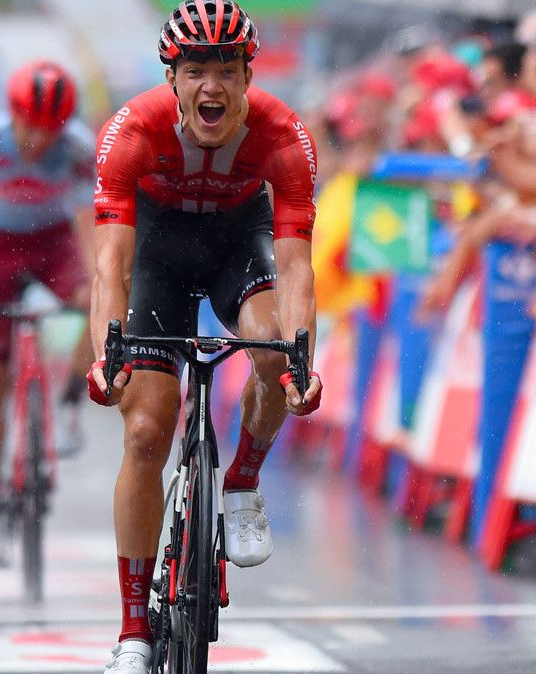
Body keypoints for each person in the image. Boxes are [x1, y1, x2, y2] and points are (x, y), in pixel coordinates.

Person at [86, 2, 323, 671]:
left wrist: (303, 357)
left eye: (226, 69)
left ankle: (242, 479)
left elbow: (298, 265)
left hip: (235, 245)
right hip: (156, 253)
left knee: (276, 351)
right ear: (173, 75)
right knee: (144, 430)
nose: (211, 86)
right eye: (196, 70)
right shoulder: (132, 129)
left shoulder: (283, 135)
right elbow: (111, 262)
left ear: (249, 75)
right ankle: (134, 632)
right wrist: (105, 354)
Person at [0, 60, 96, 566]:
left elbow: (98, 211)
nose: (37, 140)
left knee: (99, 298)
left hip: (54, 242)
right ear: (12, 116)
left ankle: (73, 401)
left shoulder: (77, 147)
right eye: (29, 126)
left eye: (49, 130)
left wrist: (97, 271)